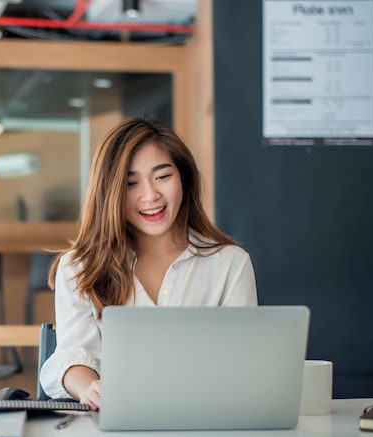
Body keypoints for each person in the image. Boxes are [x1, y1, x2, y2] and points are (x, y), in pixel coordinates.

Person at [40, 117, 258, 410]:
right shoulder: (79, 267)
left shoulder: (230, 263)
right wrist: (90, 389)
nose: (150, 195)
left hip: (206, 423)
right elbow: (76, 356)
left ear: (184, 178)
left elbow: (244, 362)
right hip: (112, 426)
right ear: (111, 192)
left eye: (162, 176)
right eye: (131, 183)